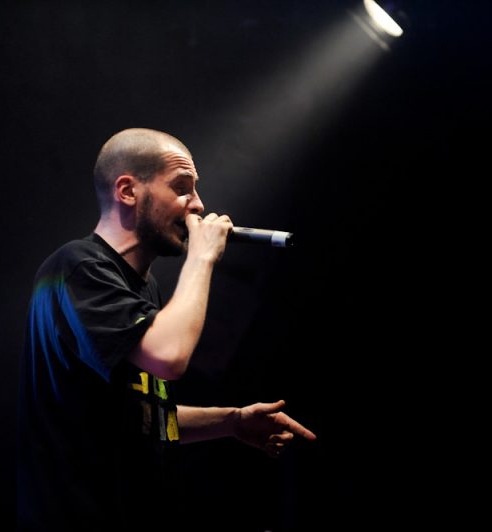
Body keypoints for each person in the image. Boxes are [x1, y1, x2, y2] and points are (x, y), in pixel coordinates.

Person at [17, 128, 316, 530]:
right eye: (182, 187)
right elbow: (168, 358)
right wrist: (202, 258)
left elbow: (142, 415)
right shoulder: (78, 267)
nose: (198, 204)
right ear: (128, 191)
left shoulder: (144, 287)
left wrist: (232, 421)